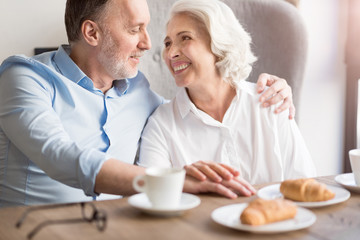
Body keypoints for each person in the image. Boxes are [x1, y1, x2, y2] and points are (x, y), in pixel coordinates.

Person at [0, 0, 294, 207]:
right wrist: (170, 180)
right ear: (92, 33)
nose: (148, 43)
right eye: (134, 29)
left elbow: (192, 109)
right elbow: (61, 155)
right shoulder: (25, 78)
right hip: (33, 229)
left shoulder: (140, 93)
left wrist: (258, 91)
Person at [137, 0, 317, 189]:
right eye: (167, 43)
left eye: (185, 38)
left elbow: (305, 186)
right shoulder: (161, 125)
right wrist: (183, 181)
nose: (171, 52)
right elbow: (152, 195)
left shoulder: (272, 101)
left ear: (219, 43)